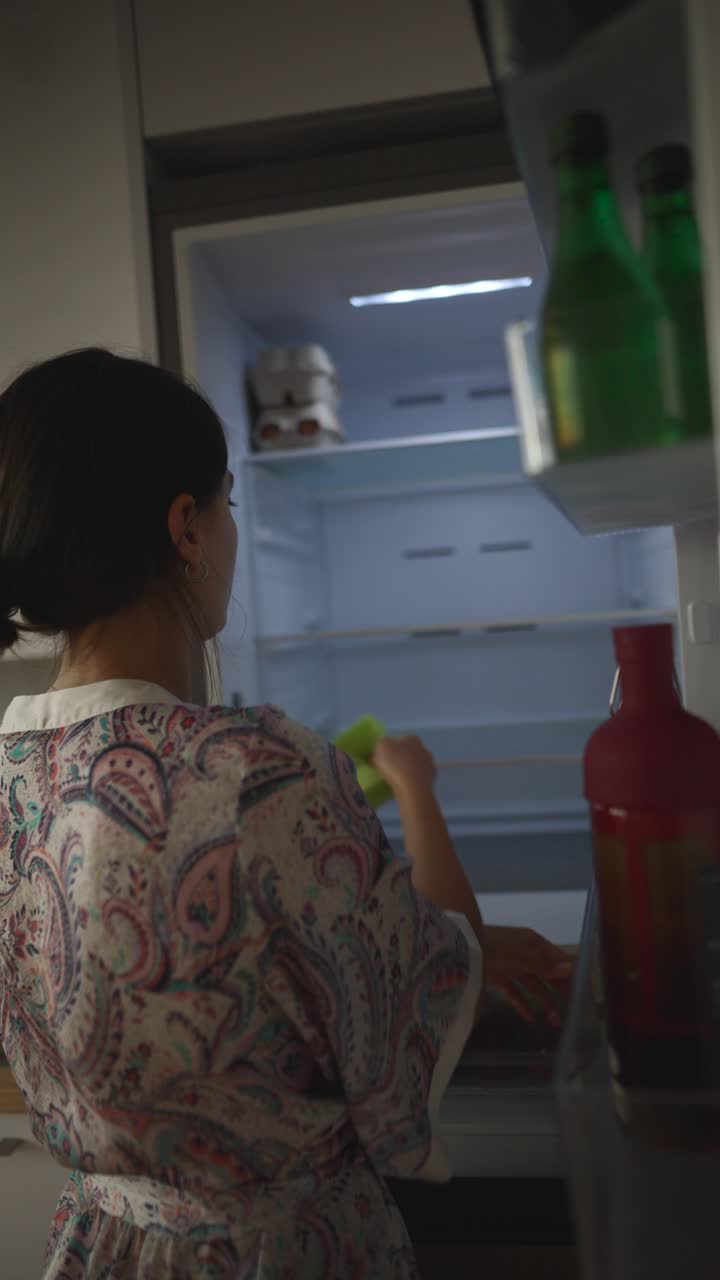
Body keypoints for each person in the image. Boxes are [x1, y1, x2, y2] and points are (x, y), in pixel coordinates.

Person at [0, 349, 571, 1279]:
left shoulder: (11, 766)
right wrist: (415, 788)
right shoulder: (256, 772)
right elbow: (406, 1024)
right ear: (185, 526)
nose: (229, 533)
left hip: (100, 1247)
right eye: (226, 503)